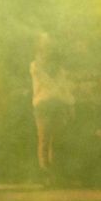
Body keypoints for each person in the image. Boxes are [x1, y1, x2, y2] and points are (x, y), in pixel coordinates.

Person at [29, 32, 75, 184]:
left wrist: (70, 102)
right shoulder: (35, 65)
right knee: (44, 139)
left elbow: (65, 87)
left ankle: (55, 173)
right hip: (44, 105)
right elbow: (51, 85)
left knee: (56, 139)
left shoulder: (59, 67)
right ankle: (46, 174)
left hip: (58, 104)